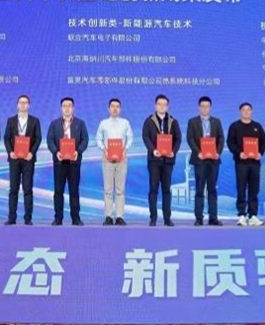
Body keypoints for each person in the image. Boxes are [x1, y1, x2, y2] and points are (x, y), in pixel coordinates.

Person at [47, 97, 89, 226]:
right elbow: (50, 140)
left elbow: (85, 140)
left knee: (74, 190)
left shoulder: (80, 123)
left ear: (73, 108)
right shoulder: (54, 124)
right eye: (64, 106)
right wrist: (56, 152)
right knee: (58, 191)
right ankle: (58, 218)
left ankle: (75, 218)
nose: (67, 108)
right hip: (59, 162)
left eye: (69, 106)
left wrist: (78, 151)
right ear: (61, 108)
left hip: (74, 162)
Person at [142, 94, 182, 227]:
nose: (162, 106)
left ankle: (167, 218)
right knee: (153, 189)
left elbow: (178, 138)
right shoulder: (149, 121)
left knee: (166, 190)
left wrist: (173, 151)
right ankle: (153, 218)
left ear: (167, 106)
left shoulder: (173, 121)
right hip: (154, 160)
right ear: (155, 106)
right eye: (159, 104)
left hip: (168, 161)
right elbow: (145, 137)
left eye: (164, 104)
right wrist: (153, 150)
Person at [226, 102, 265, 226]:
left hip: (255, 163)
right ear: (240, 112)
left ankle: (253, 215)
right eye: (244, 110)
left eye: (248, 109)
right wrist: (239, 153)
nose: (246, 112)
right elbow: (230, 143)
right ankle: (241, 215)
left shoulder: (257, 126)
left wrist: (260, 153)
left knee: (254, 189)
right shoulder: (235, 126)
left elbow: (263, 142)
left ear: (252, 111)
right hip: (241, 163)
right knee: (241, 188)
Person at [3, 95, 42, 225]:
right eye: (21, 102)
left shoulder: (34, 121)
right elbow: (6, 138)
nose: (23, 105)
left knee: (28, 189)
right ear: (17, 105)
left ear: (29, 105)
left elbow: (38, 138)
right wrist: (10, 152)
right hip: (14, 159)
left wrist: (31, 153)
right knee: (13, 189)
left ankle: (28, 218)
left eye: (25, 103)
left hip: (28, 159)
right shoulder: (11, 120)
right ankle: (11, 218)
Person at [186, 96, 224, 226]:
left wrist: (217, 153)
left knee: (212, 190)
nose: (205, 108)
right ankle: (199, 218)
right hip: (200, 160)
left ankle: (213, 218)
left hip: (213, 160)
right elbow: (190, 139)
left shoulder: (216, 121)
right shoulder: (192, 122)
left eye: (207, 106)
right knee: (199, 190)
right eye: (202, 106)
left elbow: (221, 138)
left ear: (210, 108)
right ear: (199, 107)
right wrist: (198, 153)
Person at [95, 98, 133, 226]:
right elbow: (98, 139)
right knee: (108, 189)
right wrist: (104, 150)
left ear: (120, 109)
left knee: (120, 189)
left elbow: (130, 138)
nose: (115, 109)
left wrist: (125, 150)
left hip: (122, 158)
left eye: (117, 106)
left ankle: (120, 216)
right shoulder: (103, 123)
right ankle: (108, 216)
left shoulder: (125, 123)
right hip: (107, 158)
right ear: (109, 109)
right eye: (112, 106)